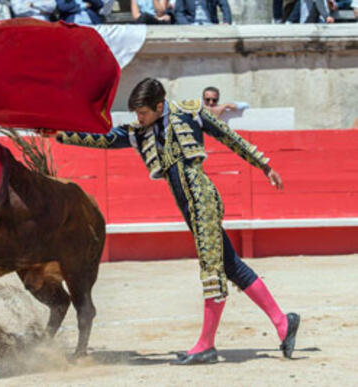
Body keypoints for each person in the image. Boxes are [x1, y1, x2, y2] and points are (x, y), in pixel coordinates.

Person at [56, 78, 300, 365]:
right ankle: (283, 322)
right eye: (137, 114)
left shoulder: (191, 113)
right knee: (231, 265)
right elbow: (106, 139)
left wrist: (264, 165)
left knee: (212, 269)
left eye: (144, 113)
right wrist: (61, 135)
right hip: (189, 207)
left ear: (159, 106)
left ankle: (206, 345)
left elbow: (229, 137)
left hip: (202, 200)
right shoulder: (141, 131)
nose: (139, 118)